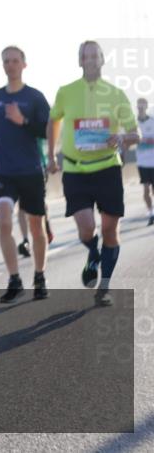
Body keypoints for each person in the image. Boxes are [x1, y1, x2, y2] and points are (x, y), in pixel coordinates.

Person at [48, 41, 139, 307]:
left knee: (111, 230)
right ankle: (92, 252)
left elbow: (135, 134)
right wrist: (51, 155)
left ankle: (104, 287)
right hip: (75, 170)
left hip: (107, 168)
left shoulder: (116, 94)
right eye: (85, 56)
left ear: (102, 60)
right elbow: (53, 120)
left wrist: (122, 137)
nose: (90, 60)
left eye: (94, 56)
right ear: (79, 61)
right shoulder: (66, 92)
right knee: (87, 228)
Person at [0, 46, 51, 303]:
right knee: (4, 222)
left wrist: (23, 121)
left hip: (30, 170)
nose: (10, 65)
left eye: (15, 61)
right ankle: (15, 280)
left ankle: (39, 276)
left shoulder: (35, 97)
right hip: (3, 171)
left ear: (24, 65)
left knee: (36, 226)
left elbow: (47, 131)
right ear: (2, 65)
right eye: (6, 61)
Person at [136, 98, 154, 226]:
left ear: (146, 106)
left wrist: (147, 140)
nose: (140, 107)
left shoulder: (152, 121)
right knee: (146, 189)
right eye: (139, 105)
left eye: (143, 105)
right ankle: (151, 213)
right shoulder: (133, 123)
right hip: (142, 162)